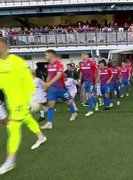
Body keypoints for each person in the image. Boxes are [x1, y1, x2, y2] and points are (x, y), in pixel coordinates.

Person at [0, 37, 47, 175]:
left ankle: (10, 161)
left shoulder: (16, 61)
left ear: (5, 47)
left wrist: (33, 99)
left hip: (22, 101)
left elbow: (28, 80)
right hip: (12, 102)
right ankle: (41, 136)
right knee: (27, 119)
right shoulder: (0, 64)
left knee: (13, 128)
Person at [41, 49, 77, 130]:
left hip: (61, 88)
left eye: (46, 55)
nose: (45, 56)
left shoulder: (59, 63)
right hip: (52, 89)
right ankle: (49, 123)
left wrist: (48, 84)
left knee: (69, 102)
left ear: (51, 54)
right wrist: (46, 85)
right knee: (51, 104)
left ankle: (74, 113)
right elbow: (49, 76)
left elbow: (58, 75)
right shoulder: (50, 65)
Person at [79, 52, 98, 116]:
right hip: (85, 82)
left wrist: (97, 79)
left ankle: (90, 110)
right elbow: (81, 72)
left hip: (91, 82)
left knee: (89, 96)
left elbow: (97, 70)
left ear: (87, 56)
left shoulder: (92, 63)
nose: (82, 56)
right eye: (82, 55)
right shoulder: (81, 64)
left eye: (84, 55)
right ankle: (96, 104)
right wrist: (80, 79)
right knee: (89, 96)